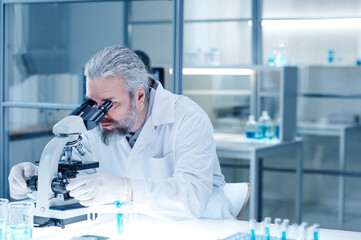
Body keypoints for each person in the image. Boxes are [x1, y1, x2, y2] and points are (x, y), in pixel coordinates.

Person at [8, 46, 234, 220]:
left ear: (139, 96)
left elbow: (192, 197)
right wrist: (38, 179)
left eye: (109, 104)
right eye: (91, 102)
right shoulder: (98, 126)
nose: (98, 114)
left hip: (202, 228)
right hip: (134, 228)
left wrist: (126, 189)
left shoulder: (188, 118)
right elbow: (76, 184)